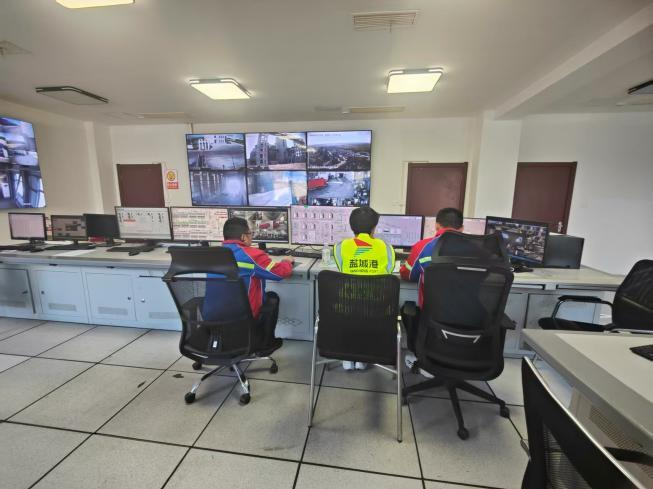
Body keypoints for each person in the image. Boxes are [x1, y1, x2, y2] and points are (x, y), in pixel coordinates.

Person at [202, 217, 294, 351]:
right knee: (272, 297)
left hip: (211, 316)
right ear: (243, 237)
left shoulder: (213, 254)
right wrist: (287, 261)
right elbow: (280, 273)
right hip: (242, 316)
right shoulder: (252, 255)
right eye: (250, 234)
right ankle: (265, 344)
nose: (251, 237)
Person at [399, 207, 464, 371]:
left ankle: (421, 354)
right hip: (469, 319)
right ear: (462, 228)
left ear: (437, 225)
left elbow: (407, 275)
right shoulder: (480, 249)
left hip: (432, 315)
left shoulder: (423, 247)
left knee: (407, 309)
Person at [333, 206, 395, 371]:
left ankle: (347, 357)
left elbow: (341, 267)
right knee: (367, 314)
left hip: (346, 306)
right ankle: (363, 356)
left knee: (353, 314)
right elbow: (388, 272)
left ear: (351, 227)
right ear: (374, 228)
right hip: (376, 308)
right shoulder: (386, 247)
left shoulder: (340, 247)